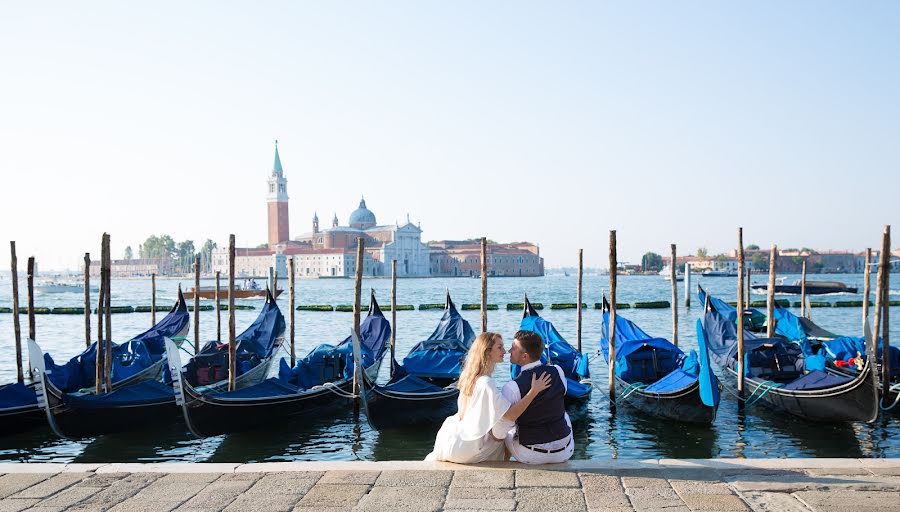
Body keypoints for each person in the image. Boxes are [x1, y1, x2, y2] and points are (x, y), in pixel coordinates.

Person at [425, 332, 552, 463]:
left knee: (499, 428)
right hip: (468, 449)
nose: (505, 351)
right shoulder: (486, 382)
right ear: (487, 352)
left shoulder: (469, 377)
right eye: (500, 347)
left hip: (454, 440)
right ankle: (505, 465)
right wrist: (534, 391)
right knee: (507, 429)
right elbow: (509, 416)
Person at [500, 330, 574, 464]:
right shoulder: (557, 371)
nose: (509, 351)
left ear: (525, 356)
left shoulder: (511, 387)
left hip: (530, 455)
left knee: (507, 424)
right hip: (565, 451)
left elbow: (504, 423)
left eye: (514, 348)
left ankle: (504, 462)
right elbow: (560, 394)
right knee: (564, 414)